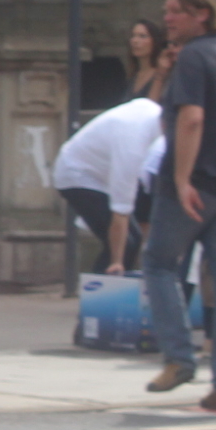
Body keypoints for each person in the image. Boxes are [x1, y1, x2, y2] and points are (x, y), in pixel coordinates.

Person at [143, 0, 216, 412]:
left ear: (201, 14)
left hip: (196, 184)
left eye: (176, 11)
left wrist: (181, 179)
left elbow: (190, 119)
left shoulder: (193, 58)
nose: (167, 18)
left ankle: (178, 357)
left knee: (158, 263)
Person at [52, 51, 167, 273]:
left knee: (131, 240)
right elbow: (121, 209)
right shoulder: (133, 140)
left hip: (96, 171)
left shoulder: (152, 112)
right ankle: (102, 288)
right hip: (76, 174)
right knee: (126, 244)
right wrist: (117, 261)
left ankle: (108, 282)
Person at [126, 18, 164, 97]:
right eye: (133, 36)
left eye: (142, 36)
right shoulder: (133, 75)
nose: (135, 41)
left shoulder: (161, 74)